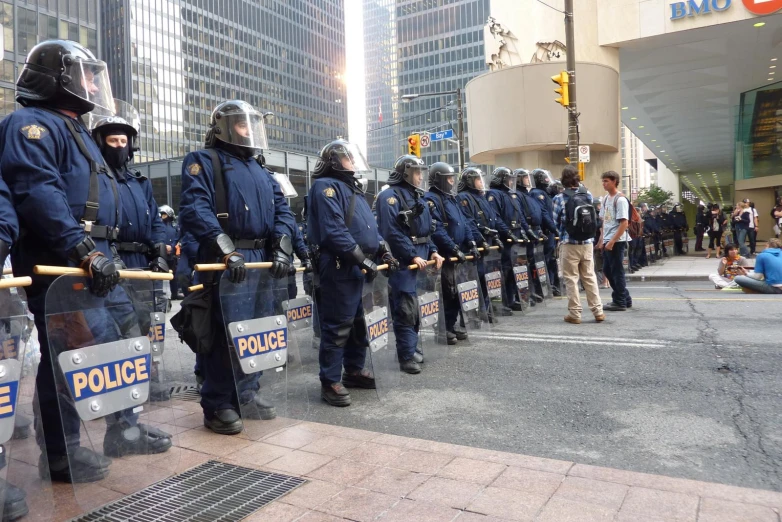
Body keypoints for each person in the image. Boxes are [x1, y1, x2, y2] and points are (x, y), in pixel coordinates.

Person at [0, 39, 177, 483]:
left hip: (100, 260)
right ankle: (62, 452)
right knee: (66, 357)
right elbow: (38, 192)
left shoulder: (77, 127)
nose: (95, 82)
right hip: (65, 264)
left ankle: (124, 429)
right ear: (60, 77)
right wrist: (83, 251)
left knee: (119, 349)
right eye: (87, 73)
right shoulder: (31, 124)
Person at [179, 99, 296, 434]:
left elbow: (283, 213)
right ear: (224, 128)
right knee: (223, 333)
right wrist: (226, 250)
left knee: (257, 330)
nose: (250, 131)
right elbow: (195, 208)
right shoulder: (204, 161)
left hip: (261, 261)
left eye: (253, 125)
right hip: (226, 259)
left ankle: (247, 391)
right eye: (243, 124)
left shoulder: (262, 170)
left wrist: (283, 248)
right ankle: (218, 403)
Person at [91, 101, 173, 404]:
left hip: (142, 263)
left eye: (124, 141)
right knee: (117, 325)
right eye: (112, 140)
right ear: (100, 142)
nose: (119, 146)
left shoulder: (140, 182)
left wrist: (160, 251)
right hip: (112, 257)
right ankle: (118, 387)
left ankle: (144, 376)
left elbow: (155, 222)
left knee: (143, 323)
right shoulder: (96, 178)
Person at [307, 139, 398, 406]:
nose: (353, 162)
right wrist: (361, 259)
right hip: (339, 265)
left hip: (359, 266)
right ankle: (330, 380)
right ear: (334, 161)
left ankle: (355, 370)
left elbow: (370, 229)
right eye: (348, 158)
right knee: (338, 325)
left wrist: (385, 252)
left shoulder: (352, 189)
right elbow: (334, 231)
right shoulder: (325, 187)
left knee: (359, 324)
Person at [376, 155, 444, 375]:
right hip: (404, 262)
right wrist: (412, 254)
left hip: (421, 259)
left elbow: (426, 230)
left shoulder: (418, 198)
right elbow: (392, 232)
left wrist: (434, 250)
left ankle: (411, 347)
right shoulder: (389, 196)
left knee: (416, 309)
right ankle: (406, 356)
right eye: (416, 172)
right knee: (405, 308)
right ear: (405, 173)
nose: (420, 176)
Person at [425, 163, 481, 343]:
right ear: (439, 179)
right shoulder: (431, 199)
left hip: (458, 254)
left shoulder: (452, 198)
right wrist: (453, 248)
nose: (452, 181)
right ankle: (443, 329)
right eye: (448, 178)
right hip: (445, 255)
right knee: (445, 293)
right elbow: (437, 229)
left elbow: (464, 223)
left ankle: (452, 324)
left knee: (457, 291)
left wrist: (471, 242)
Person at [457, 167, 520, 315]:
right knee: (475, 278)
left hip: (489, 242)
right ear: (470, 181)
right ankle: (474, 312)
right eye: (478, 179)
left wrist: (500, 235)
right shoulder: (463, 197)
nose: (481, 182)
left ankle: (486, 309)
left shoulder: (482, 197)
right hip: (478, 244)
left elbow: (494, 218)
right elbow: (469, 222)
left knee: (487, 277)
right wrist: (479, 240)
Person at [553, 166, 604, 324]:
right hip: (587, 243)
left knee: (571, 279)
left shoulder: (559, 198)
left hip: (569, 244)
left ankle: (575, 314)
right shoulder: (587, 194)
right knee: (589, 277)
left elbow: (555, 222)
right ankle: (598, 311)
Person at [486, 167, 527, 311]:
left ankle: (511, 299)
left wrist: (524, 231)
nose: (511, 182)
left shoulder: (511, 195)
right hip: (504, 239)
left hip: (513, 237)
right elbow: (495, 216)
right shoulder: (494, 194)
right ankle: (500, 303)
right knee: (501, 271)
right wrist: (507, 232)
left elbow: (518, 215)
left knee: (511, 270)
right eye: (508, 179)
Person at [598, 171, 632, 311]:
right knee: (608, 269)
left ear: (614, 181)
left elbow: (624, 223)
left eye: (606, 181)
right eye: (603, 181)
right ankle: (625, 298)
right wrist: (602, 239)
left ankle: (619, 301)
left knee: (616, 271)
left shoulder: (621, 199)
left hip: (617, 241)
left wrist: (612, 241)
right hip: (608, 239)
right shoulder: (606, 199)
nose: (603, 183)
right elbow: (604, 221)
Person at [513, 169, 547, 302]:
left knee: (530, 264)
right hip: (524, 233)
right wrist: (526, 230)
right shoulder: (517, 194)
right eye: (525, 177)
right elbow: (520, 214)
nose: (528, 179)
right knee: (521, 266)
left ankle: (530, 291)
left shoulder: (527, 194)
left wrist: (538, 230)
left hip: (532, 232)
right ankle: (522, 294)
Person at [530, 169, 561, 296]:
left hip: (550, 232)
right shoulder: (536, 193)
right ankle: (541, 288)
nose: (547, 180)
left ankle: (550, 285)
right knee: (541, 261)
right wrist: (555, 229)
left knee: (551, 260)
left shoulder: (545, 193)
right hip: (545, 232)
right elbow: (544, 214)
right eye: (545, 178)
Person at [158, 204, 180, 297]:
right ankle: (158, 294)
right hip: (161, 252)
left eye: (164, 214)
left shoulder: (175, 227)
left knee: (174, 275)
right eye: (161, 214)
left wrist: (172, 246)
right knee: (159, 274)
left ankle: (174, 293)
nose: (162, 217)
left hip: (172, 254)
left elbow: (178, 238)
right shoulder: (158, 226)